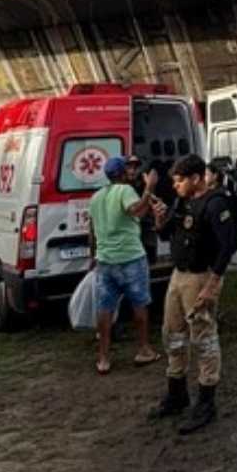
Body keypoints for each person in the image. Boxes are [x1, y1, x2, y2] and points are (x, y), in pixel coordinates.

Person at [149, 155, 237, 434]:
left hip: (201, 277)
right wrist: (160, 219)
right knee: (173, 334)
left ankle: (206, 402)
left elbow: (228, 246)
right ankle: (177, 394)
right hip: (179, 275)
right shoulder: (182, 202)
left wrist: (212, 285)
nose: (175, 186)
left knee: (203, 339)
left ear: (196, 178)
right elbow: (167, 234)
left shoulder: (215, 204)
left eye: (179, 181)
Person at [88, 156, 161, 374]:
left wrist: (93, 256)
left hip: (104, 260)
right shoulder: (125, 190)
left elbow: (91, 232)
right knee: (139, 303)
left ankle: (103, 358)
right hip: (130, 258)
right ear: (122, 173)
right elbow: (137, 211)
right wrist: (149, 188)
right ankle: (144, 349)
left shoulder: (96, 197)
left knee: (105, 308)